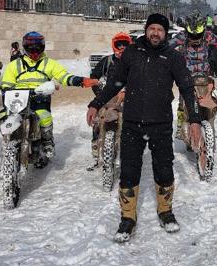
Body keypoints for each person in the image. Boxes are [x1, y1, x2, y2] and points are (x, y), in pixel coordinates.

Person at [86, 14, 201, 243]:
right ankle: (127, 218)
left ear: (165, 33)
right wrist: (95, 103)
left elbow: (187, 88)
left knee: (164, 168)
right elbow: (115, 83)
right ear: (146, 31)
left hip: (160, 123)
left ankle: (165, 211)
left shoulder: (173, 57)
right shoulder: (131, 53)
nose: (155, 33)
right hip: (132, 124)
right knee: (129, 170)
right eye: (152, 28)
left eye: (160, 29)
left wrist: (195, 119)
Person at [1, 31, 97, 168]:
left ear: (43, 47)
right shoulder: (14, 65)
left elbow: (63, 76)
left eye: (37, 47)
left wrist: (79, 81)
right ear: (24, 47)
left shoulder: (49, 63)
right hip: (18, 99)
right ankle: (8, 142)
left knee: (44, 116)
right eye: (30, 47)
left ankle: (47, 141)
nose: (34, 50)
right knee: (4, 116)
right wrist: (5, 91)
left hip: (39, 98)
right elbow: (6, 84)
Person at [169, 15, 217, 141]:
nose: (195, 38)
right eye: (192, 35)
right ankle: (181, 123)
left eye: (198, 35)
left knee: (212, 100)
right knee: (183, 100)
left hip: (205, 74)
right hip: (187, 75)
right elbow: (168, 46)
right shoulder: (182, 36)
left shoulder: (208, 36)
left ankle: (210, 124)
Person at [88, 32, 132, 167]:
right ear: (114, 45)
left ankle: (131, 148)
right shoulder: (107, 61)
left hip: (128, 96)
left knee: (132, 120)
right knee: (97, 118)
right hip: (108, 96)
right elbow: (94, 76)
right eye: (119, 45)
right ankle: (96, 142)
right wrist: (98, 91)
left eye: (125, 45)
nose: (122, 48)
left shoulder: (134, 62)